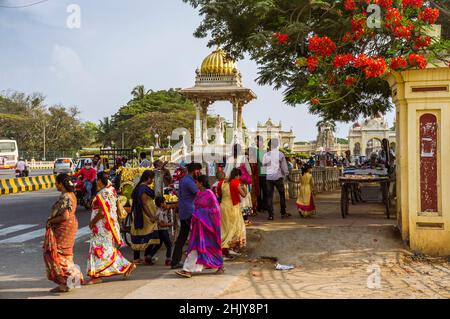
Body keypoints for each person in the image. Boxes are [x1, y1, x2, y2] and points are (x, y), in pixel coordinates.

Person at [85, 172, 136, 285]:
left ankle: (98, 274)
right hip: (109, 226)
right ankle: (123, 267)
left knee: (101, 250)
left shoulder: (103, 193)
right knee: (106, 249)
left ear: (99, 181)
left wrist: (92, 222)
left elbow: (102, 213)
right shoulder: (111, 190)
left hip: (101, 226)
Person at [175, 175, 224, 278]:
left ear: (201, 183)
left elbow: (216, 210)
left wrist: (201, 214)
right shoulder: (198, 194)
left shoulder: (210, 194)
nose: (195, 184)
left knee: (209, 246)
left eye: (196, 182)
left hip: (208, 226)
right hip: (199, 226)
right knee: (196, 247)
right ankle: (188, 270)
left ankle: (188, 270)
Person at [43, 173, 84, 293]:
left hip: (64, 227)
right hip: (71, 225)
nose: (55, 185)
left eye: (56, 183)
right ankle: (65, 284)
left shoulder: (65, 196)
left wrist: (50, 221)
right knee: (66, 253)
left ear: (61, 184)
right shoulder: (72, 194)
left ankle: (74, 276)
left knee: (56, 253)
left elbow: (65, 216)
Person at [171, 163, 201, 269]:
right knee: (195, 237)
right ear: (194, 171)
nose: (200, 173)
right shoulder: (189, 181)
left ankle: (175, 261)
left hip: (185, 210)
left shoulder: (184, 179)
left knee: (182, 237)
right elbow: (198, 193)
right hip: (189, 211)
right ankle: (194, 261)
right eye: (199, 171)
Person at [130, 170, 160, 265]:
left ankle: (137, 258)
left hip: (142, 215)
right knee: (152, 235)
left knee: (139, 235)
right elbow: (144, 204)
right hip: (145, 216)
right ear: (148, 178)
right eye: (152, 178)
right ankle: (147, 256)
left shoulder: (140, 187)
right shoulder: (142, 189)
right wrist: (151, 216)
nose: (152, 180)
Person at [219, 168, 247, 257]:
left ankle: (223, 247)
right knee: (235, 228)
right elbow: (243, 195)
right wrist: (244, 188)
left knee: (224, 229)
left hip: (223, 207)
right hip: (233, 207)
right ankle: (229, 248)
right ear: (237, 176)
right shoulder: (235, 182)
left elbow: (219, 194)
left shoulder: (222, 182)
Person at [263, 138, 291, 221]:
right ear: (277, 145)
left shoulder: (265, 155)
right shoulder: (280, 154)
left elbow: (263, 166)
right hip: (278, 177)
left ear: (269, 145)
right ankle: (283, 212)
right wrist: (286, 174)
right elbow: (284, 167)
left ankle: (270, 215)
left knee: (269, 196)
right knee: (282, 195)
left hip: (268, 178)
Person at [145, 196, 175, 266]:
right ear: (161, 204)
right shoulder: (160, 212)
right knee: (169, 245)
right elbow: (162, 224)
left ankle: (149, 256)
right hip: (163, 231)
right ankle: (168, 259)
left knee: (158, 245)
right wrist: (170, 224)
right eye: (164, 202)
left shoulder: (158, 210)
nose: (165, 203)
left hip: (159, 231)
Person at [255, 136, 268, 213]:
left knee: (265, 191)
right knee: (258, 191)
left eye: (258, 141)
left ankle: (265, 206)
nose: (257, 143)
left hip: (264, 174)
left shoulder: (265, 152)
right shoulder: (254, 152)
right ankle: (259, 206)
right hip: (257, 175)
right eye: (256, 141)